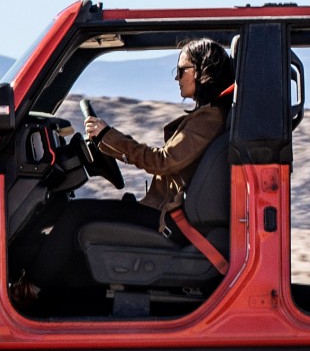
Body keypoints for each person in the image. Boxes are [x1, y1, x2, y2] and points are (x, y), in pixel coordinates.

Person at [16, 37, 235, 304]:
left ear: (204, 72)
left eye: (182, 70)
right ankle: (57, 296)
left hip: (168, 222)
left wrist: (110, 137)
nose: (177, 78)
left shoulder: (209, 119)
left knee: (76, 213)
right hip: (166, 214)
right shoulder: (209, 116)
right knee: (78, 216)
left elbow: (162, 161)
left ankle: (29, 289)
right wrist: (109, 141)